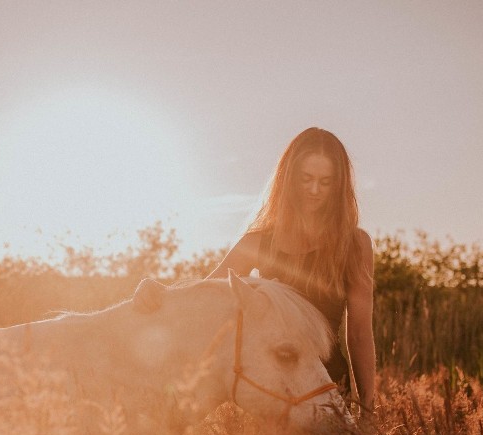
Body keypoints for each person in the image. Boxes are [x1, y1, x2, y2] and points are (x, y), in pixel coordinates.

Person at [133, 127, 376, 415]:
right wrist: (156, 291)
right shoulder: (257, 242)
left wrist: (368, 413)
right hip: (273, 389)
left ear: (339, 185)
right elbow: (204, 296)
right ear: (288, 179)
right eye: (306, 179)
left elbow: (359, 334)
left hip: (329, 389)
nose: (314, 190)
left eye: (325, 182)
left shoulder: (355, 245)